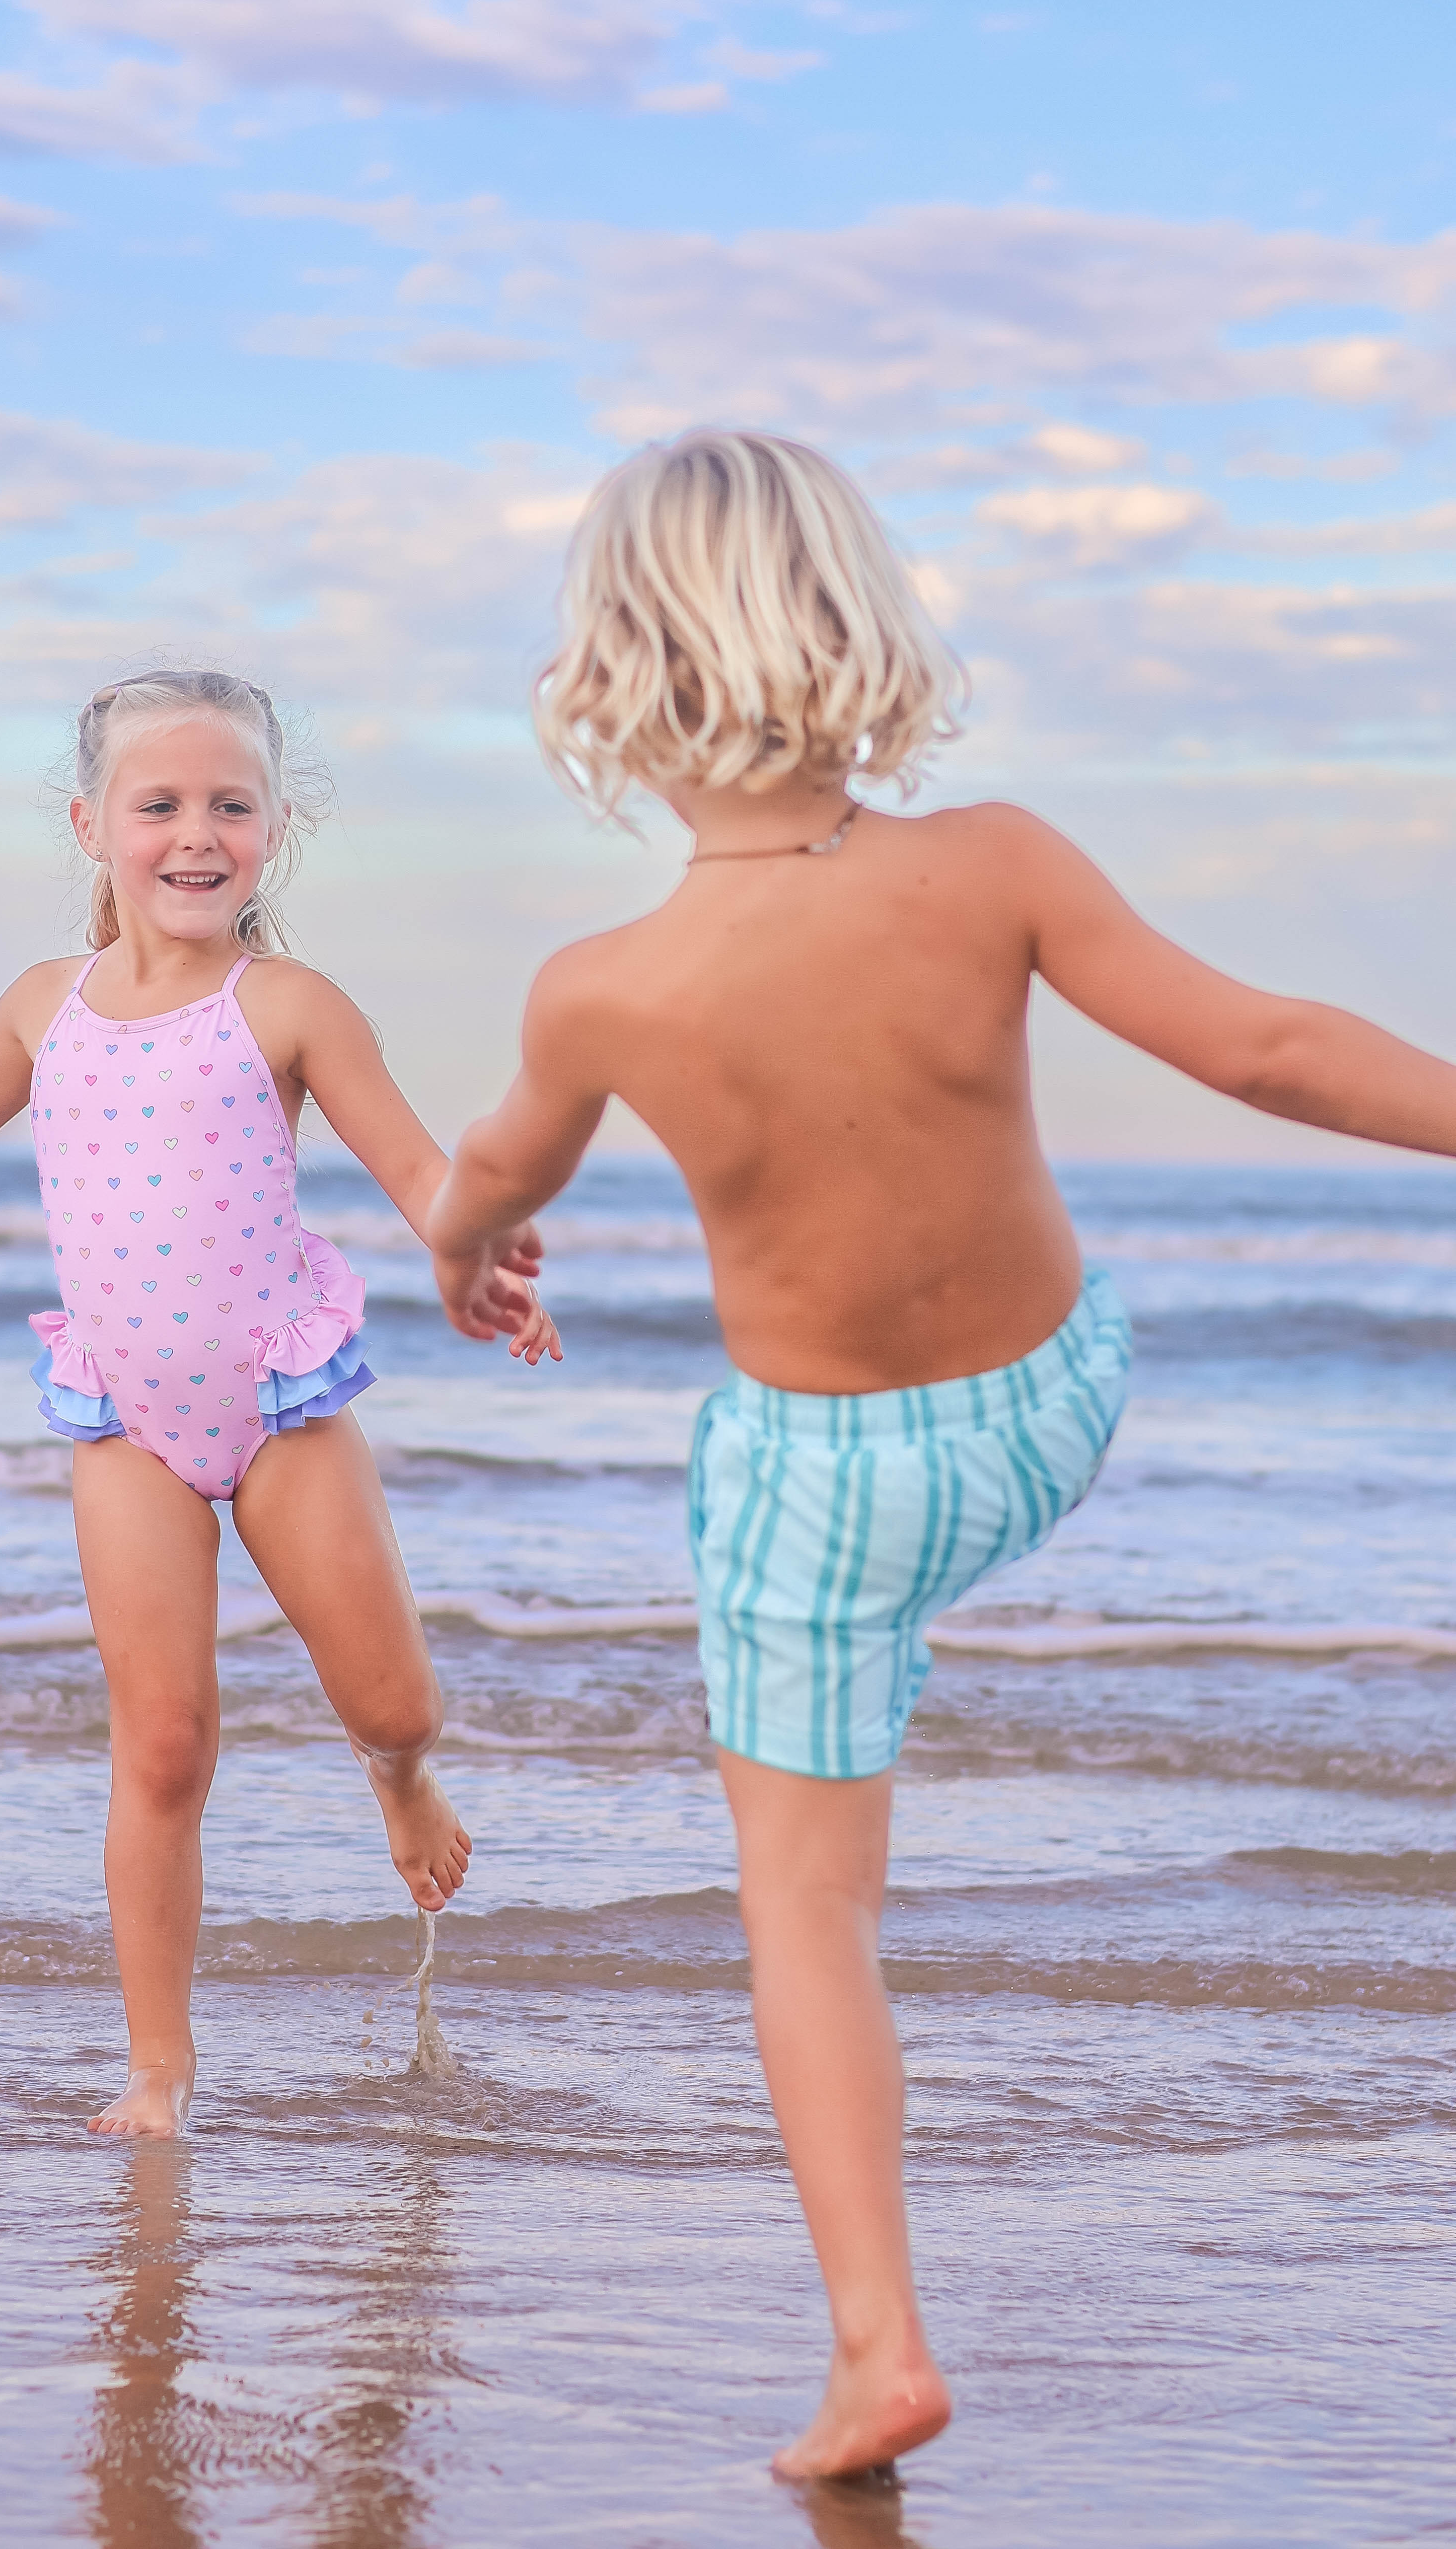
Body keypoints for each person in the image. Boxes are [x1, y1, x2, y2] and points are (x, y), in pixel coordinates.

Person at [424, 431, 1456, 2483]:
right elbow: (1259, 1047)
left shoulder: (602, 989)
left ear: (605, 672)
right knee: (992, 1378)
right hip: (1051, 1407)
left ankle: (874, 2353)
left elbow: (488, 1178)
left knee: (805, 1909)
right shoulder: (988, 862)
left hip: (824, 1489)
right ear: (852, 621)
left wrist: (470, 1254)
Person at [0, 666, 559, 2141]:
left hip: (274, 1405)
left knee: (392, 1697)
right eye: (162, 805)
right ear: (92, 825)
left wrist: (485, 1249)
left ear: (273, 831)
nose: (198, 835)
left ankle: (401, 1783)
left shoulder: (292, 1006)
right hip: (124, 1416)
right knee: (165, 1745)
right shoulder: (41, 1007)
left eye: (232, 806)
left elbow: (422, 1175)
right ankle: (158, 2070)